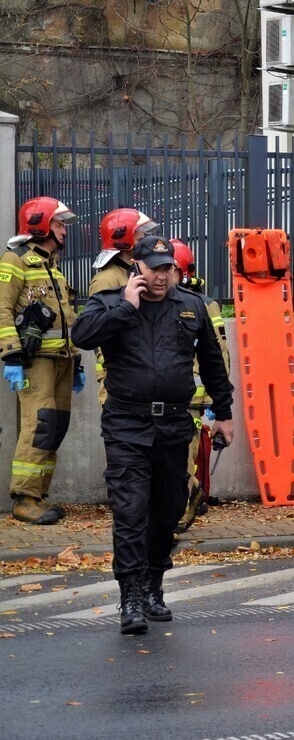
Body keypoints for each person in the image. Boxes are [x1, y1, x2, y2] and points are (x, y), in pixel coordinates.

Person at [72, 235, 234, 635]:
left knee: (168, 509)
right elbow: (82, 335)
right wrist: (128, 306)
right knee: (130, 511)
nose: (161, 276)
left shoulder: (191, 306)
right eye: (154, 267)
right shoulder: (110, 302)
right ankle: (130, 596)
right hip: (127, 422)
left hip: (175, 423)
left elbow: (213, 362)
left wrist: (224, 413)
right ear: (136, 268)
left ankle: (153, 583)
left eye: (168, 268)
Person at [0, 197, 83, 525]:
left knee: (55, 428)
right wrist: (11, 355)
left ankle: (39, 495)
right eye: (60, 224)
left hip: (61, 360)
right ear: (42, 224)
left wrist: (75, 360)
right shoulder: (15, 260)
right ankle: (24, 498)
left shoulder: (52, 265)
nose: (64, 230)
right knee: (40, 426)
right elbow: (2, 309)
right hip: (35, 362)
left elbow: (65, 317)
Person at [169, 238, 229, 532]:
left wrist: (221, 403)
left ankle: (181, 511)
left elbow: (218, 354)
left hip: (191, 398)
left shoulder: (202, 305)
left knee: (182, 458)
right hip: (172, 395)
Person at [89, 208, 157, 406]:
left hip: (136, 369)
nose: (144, 240)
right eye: (140, 235)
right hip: (116, 373)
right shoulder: (106, 279)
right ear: (124, 238)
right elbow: (99, 327)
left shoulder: (129, 275)